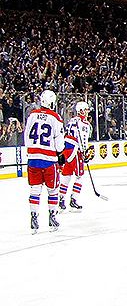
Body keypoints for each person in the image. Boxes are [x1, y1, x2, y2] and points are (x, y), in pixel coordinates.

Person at [24, 89, 65, 233]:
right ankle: (52, 216)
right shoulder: (56, 118)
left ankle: (34, 217)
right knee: (53, 190)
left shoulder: (32, 115)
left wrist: (31, 151)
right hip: (49, 160)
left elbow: (26, 135)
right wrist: (60, 154)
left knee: (35, 189)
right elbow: (59, 142)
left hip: (33, 159)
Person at [58, 100, 93, 212]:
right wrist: (85, 152)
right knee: (80, 176)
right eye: (86, 110)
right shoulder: (84, 124)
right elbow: (82, 139)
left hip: (67, 150)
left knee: (66, 175)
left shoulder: (72, 120)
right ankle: (74, 199)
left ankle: (61, 200)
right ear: (81, 111)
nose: (88, 112)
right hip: (75, 150)